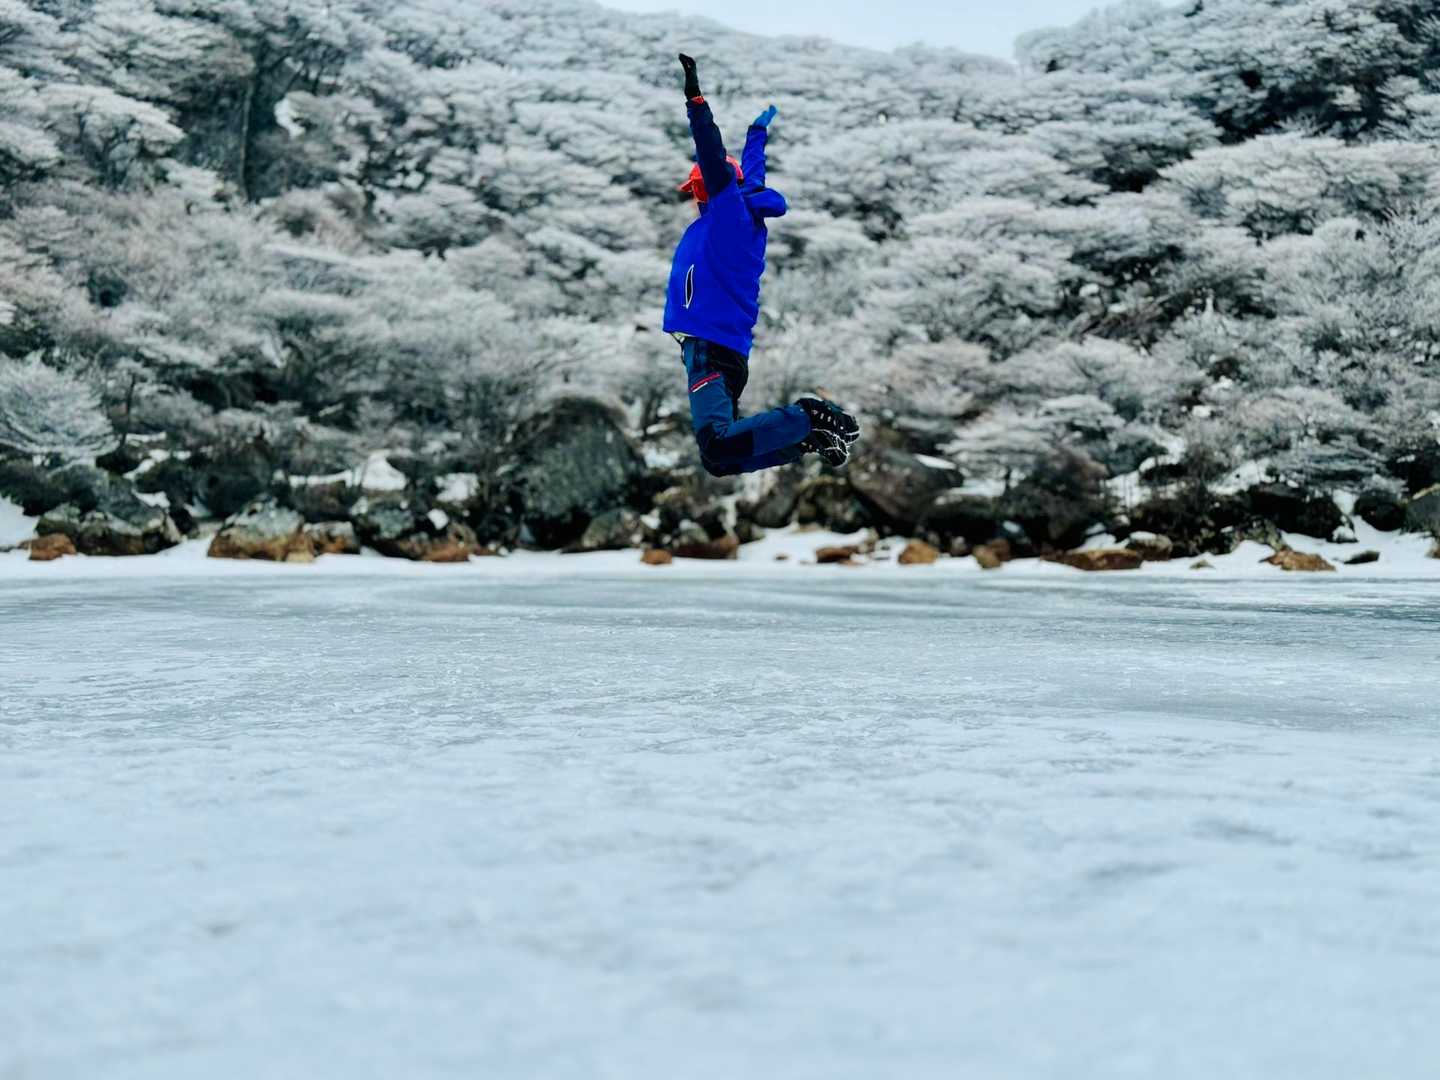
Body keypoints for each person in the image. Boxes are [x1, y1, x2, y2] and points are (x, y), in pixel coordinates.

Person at [664, 53, 861, 476]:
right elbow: (752, 177)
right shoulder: (742, 218)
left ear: (708, 189)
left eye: (697, 189)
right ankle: (804, 439)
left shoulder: (728, 217)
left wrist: (696, 101)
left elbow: (713, 155)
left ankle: (808, 415)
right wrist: (757, 134)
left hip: (711, 346)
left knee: (718, 446)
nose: (695, 196)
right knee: (719, 460)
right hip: (720, 349)